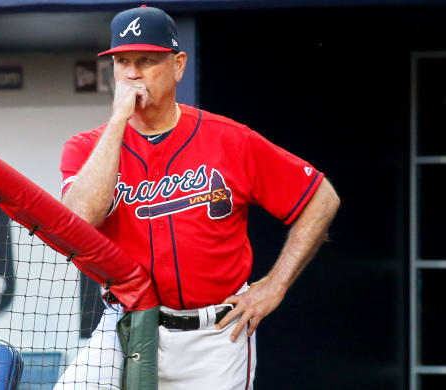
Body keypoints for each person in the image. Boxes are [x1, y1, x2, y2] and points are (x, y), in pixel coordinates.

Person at [56, 5, 340, 390]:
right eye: (122, 61)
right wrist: (118, 121)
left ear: (177, 65)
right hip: (124, 326)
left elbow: (321, 198)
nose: (132, 73)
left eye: (146, 60)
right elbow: (80, 220)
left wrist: (275, 285)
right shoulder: (86, 147)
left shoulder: (230, 139)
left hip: (215, 336)